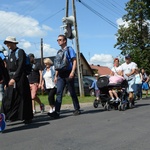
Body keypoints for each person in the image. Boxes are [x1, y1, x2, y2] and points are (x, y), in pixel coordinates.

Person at [1, 36, 33, 124]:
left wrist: (15, 78)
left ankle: (27, 117)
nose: (6, 44)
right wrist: (6, 81)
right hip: (11, 77)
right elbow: (8, 68)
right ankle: (11, 116)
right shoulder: (10, 53)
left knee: (23, 97)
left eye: (8, 42)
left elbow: (21, 66)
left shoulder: (20, 52)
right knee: (9, 97)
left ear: (13, 43)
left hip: (20, 77)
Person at [49, 34, 81, 119]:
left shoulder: (70, 49)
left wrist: (73, 72)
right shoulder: (59, 52)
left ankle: (77, 108)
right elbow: (57, 65)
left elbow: (74, 61)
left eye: (60, 39)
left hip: (68, 73)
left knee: (72, 92)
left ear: (64, 41)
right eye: (57, 40)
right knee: (59, 92)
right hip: (60, 74)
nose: (58, 41)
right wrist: (56, 76)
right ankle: (57, 111)